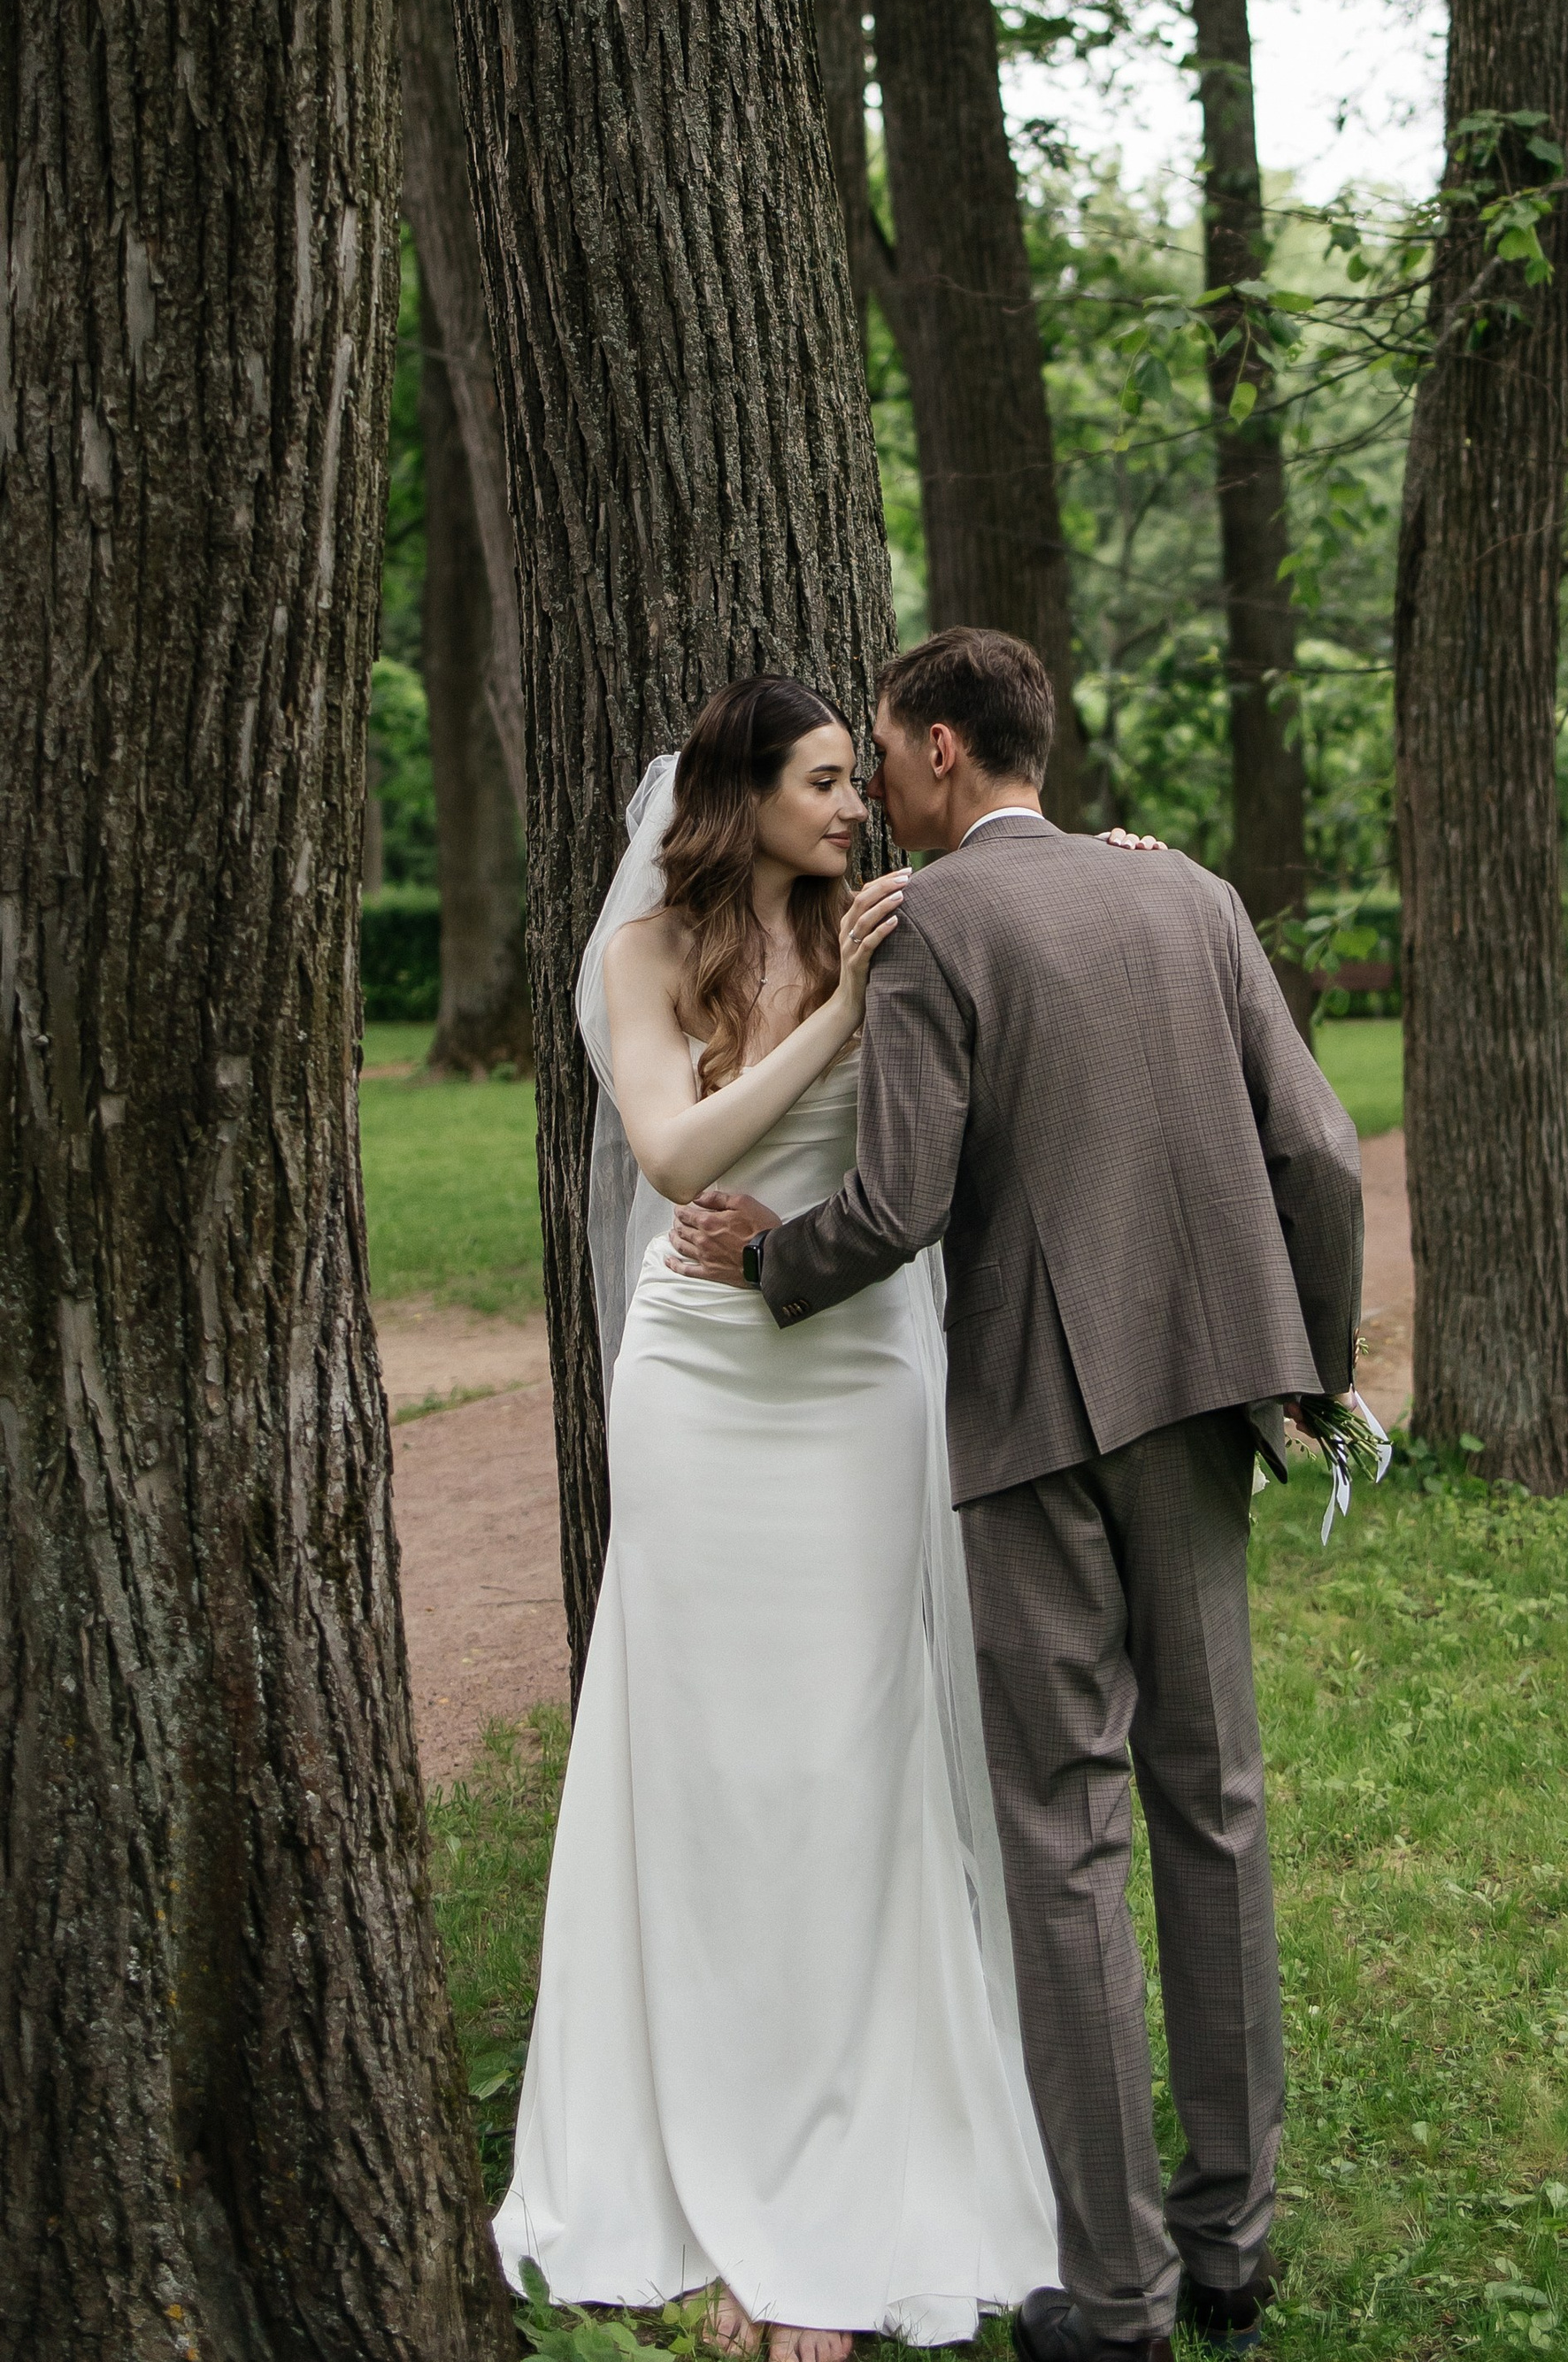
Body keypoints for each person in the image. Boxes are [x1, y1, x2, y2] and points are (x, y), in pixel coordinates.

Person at [668, 627, 1365, 2362]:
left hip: (1032, 1427)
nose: (880, 786)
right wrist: (1307, 1364)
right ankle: (1232, 2248)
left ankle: (1111, 2296)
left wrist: (768, 1264)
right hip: (1206, 1402)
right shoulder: (1188, 896)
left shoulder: (930, 927)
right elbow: (1323, 1154)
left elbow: (898, 1205)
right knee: (1215, 1805)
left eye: (890, 753)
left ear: (943, 752)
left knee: (1063, 1837)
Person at [491, 674, 1058, 2361]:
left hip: (860, 1362)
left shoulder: (897, 917)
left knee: (846, 1754)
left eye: (857, 780)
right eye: (824, 783)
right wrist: (834, 1018)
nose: (855, 810)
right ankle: (691, 2157)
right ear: (740, 798)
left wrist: (1122, 855)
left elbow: (1045, 922)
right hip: (697, 1377)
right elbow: (674, 1154)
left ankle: (841, 2170)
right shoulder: (645, 959)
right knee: (706, 1752)